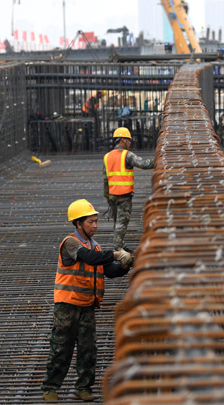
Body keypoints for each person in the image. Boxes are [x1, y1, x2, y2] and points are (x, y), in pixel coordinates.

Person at [41, 199, 132, 402]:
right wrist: (117, 254)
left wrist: (126, 265)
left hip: (87, 306)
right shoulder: (70, 243)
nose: (95, 225)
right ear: (78, 223)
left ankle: (84, 388)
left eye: (96, 221)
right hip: (67, 305)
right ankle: (50, 388)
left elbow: (109, 272)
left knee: (88, 349)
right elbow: (89, 258)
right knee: (61, 347)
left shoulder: (96, 247)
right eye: (91, 222)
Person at [104, 127, 154, 252]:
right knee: (122, 222)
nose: (130, 142)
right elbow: (143, 164)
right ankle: (118, 248)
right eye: (128, 140)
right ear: (123, 140)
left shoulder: (107, 156)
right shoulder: (127, 155)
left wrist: (107, 196)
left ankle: (121, 244)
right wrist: (159, 159)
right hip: (124, 194)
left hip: (112, 194)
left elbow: (105, 179)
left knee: (117, 221)